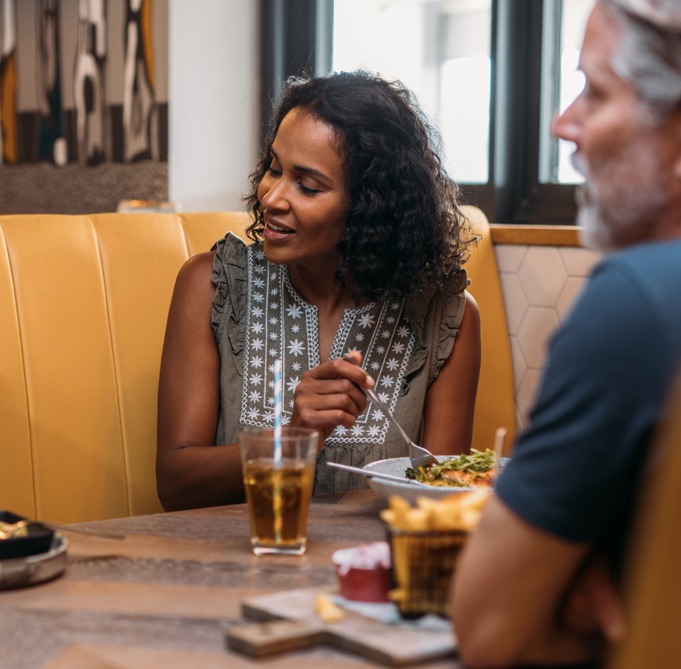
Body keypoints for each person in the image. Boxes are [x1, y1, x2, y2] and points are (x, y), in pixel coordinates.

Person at [452, 0, 681, 669]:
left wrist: (608, 591)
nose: (563, 124)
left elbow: (490, 627)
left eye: (595, 92)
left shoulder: (639, 303)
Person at [156, 71, 482, 511]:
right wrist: (293, 439)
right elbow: (175, 486)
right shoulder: (213, 286)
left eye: (307, 186)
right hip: (234, 568)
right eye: (274, 168)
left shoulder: (444, 317)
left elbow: (441, 501)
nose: (271, 197)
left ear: (371, 207)